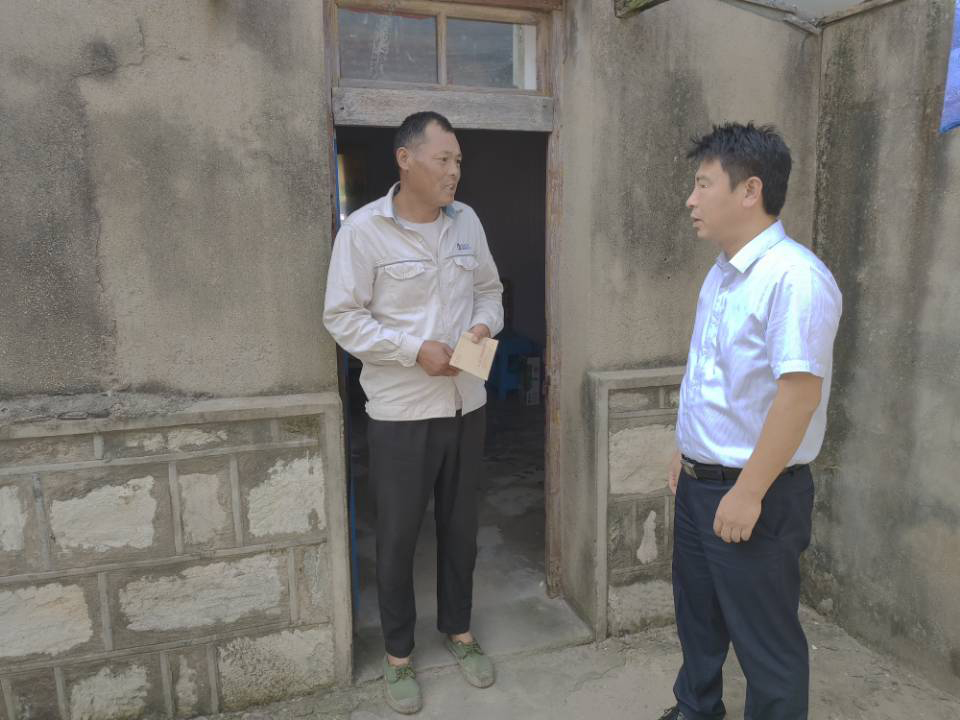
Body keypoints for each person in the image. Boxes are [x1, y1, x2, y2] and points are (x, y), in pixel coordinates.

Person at [659, 123, 842, 720]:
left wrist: (748, 491)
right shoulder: (722, 271)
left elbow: (799, 397)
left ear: (749, 190)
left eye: (702, 184)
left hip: (755, 493)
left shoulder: (794, 277)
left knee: (766, 642)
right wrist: (685, 448)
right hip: (699, 484)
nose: (690, 199)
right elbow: (711, 372)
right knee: (698, 617)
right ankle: (696, 709)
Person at [323, 111, 504, 715]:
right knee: (398, 538)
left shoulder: (466, 221)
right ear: (406, 159)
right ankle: (398, 655)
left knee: (460, 530)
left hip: (466, 404)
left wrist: (482, 326)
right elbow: (341, 317)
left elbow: (490, 291)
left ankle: (460, 632)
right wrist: (411, 350)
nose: (454, 171)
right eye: (443, 159)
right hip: (401, 412)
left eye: (458, 161)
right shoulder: (364, 232)